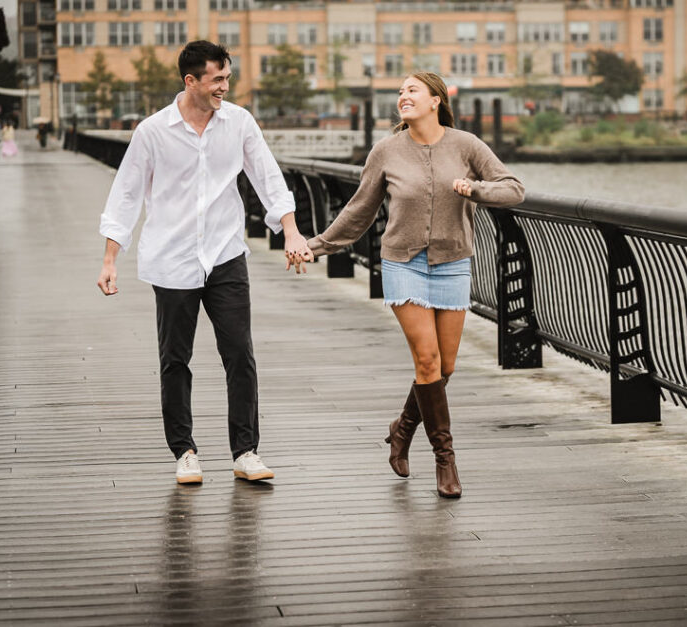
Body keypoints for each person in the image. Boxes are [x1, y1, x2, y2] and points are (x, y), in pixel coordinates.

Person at [96, 40, 311, 486]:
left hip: (225, 253)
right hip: (172, 259)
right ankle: (185, 451)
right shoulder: (153, 132)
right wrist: (110, 258)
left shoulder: (239, 123)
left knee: (240, 354)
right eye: (217, 79)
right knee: (175, 358)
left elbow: (268, 178)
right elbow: (127, 195)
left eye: (227, 78)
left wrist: (290, 230)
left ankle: (246, 451)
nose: (224, 87)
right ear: (190, 81)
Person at [300, 72, 524, 498]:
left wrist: (475, 189)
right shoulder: (386, 151)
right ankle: (446, 460)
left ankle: (401, 429)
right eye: (400, 91)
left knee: (445, 367)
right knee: (427, 360)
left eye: (412, 90)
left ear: (435, 100)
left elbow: (514, 189)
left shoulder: (467, 146)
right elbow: (359, 210)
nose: (403, 96)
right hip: (403, 263)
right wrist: (318, 246)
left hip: (453, 263)